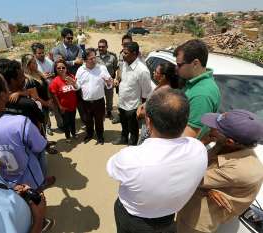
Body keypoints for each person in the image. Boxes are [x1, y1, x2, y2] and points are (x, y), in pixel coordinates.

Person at [107, 87, 208, 233]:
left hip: (134, 219)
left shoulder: (131, 158)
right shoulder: (198, 149)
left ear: (148, 121)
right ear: (185, 120)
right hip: (168, 219)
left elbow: (112, 170)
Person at [177, 109, 263, 233]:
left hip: (196, 220)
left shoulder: (239, 169)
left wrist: (203, 142)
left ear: (230, 142)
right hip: (187, 204)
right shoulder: (226, 145)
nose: (210, 128)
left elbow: (186, 175)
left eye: (215, 128)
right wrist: (206, 187)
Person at [0, 70, 48, 190]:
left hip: (7, 180)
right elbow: (39, 146)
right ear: (2, 94)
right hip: (31, 179)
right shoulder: (20, 123)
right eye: (6, 85)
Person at [174, 39, 221, 139]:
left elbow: (187, 138)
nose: (176, 68)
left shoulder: (201, 95)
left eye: (179, 65)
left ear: (195, 63)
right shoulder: (193, 82)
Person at [113, 42, 153, 146]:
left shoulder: (142, 71)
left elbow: (146, 93)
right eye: (123, 52)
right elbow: (124, 79)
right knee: (124, 125)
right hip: (122, 103)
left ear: (134, 53)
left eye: (125, 53)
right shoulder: (125, 64)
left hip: (133, 106)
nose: (123, 55)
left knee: (133, 129)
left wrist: (141, 109)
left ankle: (132, 145)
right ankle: (124, 138)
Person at [75, 48, 113, 145]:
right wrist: (74, 85)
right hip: (86, 102)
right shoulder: (80, 70)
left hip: (99, 101)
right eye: (91, 59)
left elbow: (109, 85)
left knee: (99, 120)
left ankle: (100, 136)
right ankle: (90, 134)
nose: (94, 60)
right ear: (85, 60)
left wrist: (109, 83)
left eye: (94, 57)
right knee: (88, 120)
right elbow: (78, 86)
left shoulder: (102, 68)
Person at [0, 59, 44, 128]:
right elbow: (41, 119)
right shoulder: (28, 104)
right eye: (21, 76)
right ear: (13, 81)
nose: (25, 78)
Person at [32, 42, 60, 135]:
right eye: (39, 53)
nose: (42, 55)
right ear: (34, 54)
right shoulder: (33, 64)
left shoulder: (49, 61)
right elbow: (31, 77)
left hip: (52, 88)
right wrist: (41, 76)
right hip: (41, 91)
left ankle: (60, 124)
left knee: (56, 107)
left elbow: (55, 72)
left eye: (43, 52)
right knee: (45, 110)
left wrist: (52, 75)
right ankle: (48, 127)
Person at [22, 54, 54, 138]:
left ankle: (46, 142)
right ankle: (45, 146)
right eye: (33, 63)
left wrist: (49, 99)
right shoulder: (28, 79)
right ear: (27, 65)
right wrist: (47, 103)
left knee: (44, 125)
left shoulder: (38, 73)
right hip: (39, 107)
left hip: (46, 104)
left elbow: (46, 87)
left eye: (35, 62)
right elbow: (35, 97)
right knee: (41, 128)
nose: (36, 64)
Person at [49, 59, 77, 142]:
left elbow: (76, 87)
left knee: (73, 120)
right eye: (59, 68)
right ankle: (68, 137)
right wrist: (60, 106)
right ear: (56, 69)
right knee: (66, 122)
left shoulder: (71, 77)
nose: (61, 69)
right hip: (64, 107)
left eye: (63, 67)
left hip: (73, 105)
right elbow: (54, 95)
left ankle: (74, 134)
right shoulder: (55, 82)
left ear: (66, 68)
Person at [112, 34, 133, 124]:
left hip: (131, 83)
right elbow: (119, 68)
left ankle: (131, 118)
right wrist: (117, 79)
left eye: (128, 44)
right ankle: (121, 116)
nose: (126, 46)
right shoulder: (121, 54)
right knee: (121, 100)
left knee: (131, 101)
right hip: (121, 82)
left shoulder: (136, 55)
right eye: (124, 44)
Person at [96, 39, 118, 120]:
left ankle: (109, 112)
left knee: (109, 98)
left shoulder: (112, 57)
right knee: (99, 98)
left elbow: (116, 68)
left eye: (103, 47)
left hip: (109, 81)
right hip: (99, 82)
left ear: (107, 47)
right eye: (99, 47)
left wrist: (114, 79)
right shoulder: (94, 56)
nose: (101, 48)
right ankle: (101, 112)